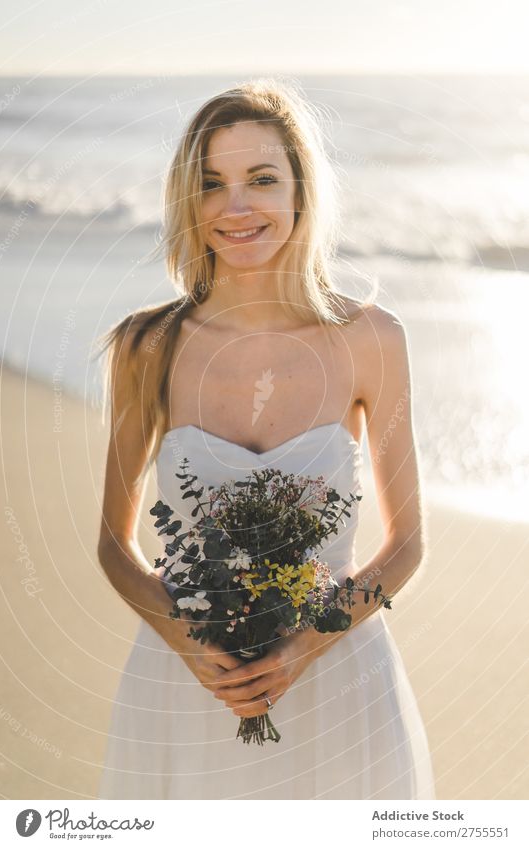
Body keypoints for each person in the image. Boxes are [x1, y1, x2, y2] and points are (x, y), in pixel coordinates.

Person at [93, 77, 436, 800]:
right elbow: (114, 545)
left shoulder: (370, 339)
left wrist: (303, 646)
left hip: (336, 680)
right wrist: (187, 642)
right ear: (189, 200)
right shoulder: (146, 345)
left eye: (260, 179)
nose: (236, 206)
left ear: (300, 191)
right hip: (186, 686)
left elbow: (406, 544)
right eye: (212, 182)